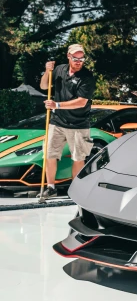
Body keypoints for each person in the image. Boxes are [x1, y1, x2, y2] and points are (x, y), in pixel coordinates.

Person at [37, 44, 95, 199]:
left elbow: (81, 102)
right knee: (49, 154)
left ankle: (75, 189)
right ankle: (50, 188)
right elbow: (43, 86)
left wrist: (56, 105)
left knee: (78, 157)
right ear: (68, 56)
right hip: (57, 122)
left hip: (78, 124)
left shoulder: (87, 77)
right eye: (75, 58)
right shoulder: (60, 70)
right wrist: (47, 72)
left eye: (81, 58)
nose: (78, 61)